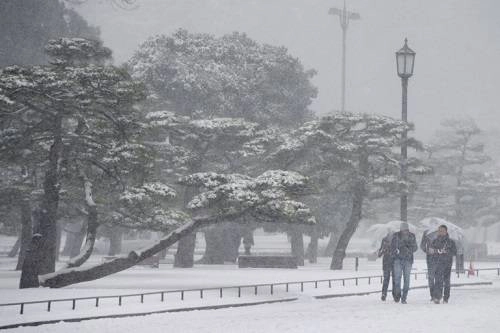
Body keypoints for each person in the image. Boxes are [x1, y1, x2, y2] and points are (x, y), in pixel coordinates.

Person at [429, 225, 457, 304]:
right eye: (439, 230)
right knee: (438, 280)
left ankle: (446, 297)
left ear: (446, 231)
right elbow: (430, 251)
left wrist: (446, 252)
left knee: (447, 281)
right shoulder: (434, 241)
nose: (440, 232)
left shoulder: (450, 242)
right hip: (437, 263)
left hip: (447, 263)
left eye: (442, 231)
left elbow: (454, 252)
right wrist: (437, 251)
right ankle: (437, 297)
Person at [391, 222, 418, 304]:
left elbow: (415, 247)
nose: (404, 231)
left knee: (407, 279)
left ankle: (404, 297)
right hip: (398, 259)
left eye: (405, 229)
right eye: (402, 229)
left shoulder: (412, 236)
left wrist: (408, 250)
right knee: (397, 278)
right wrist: (396, 250)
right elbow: (392, 246)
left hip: (408, 260)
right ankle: (398, 294)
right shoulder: (396, 235)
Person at [420, 229, 438, 300]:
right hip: (438, 258)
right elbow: (422, 246)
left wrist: (427, 251)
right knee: (437, 277)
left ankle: (433, 294)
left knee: (431, 277)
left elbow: (422, 246)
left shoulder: (427, 232)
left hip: (431, 258)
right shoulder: (440, 231)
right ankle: (436, 294)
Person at [377, 231, 395, 301]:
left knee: (395, 279)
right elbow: (379, 253)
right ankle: (384, 294)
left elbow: (398, 251)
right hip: (386, 262)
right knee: (386, 279)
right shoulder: (384, 240)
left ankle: (395, 294)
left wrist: (393, 251)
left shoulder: (396, 239)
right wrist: (384, 249)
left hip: (394, 262)